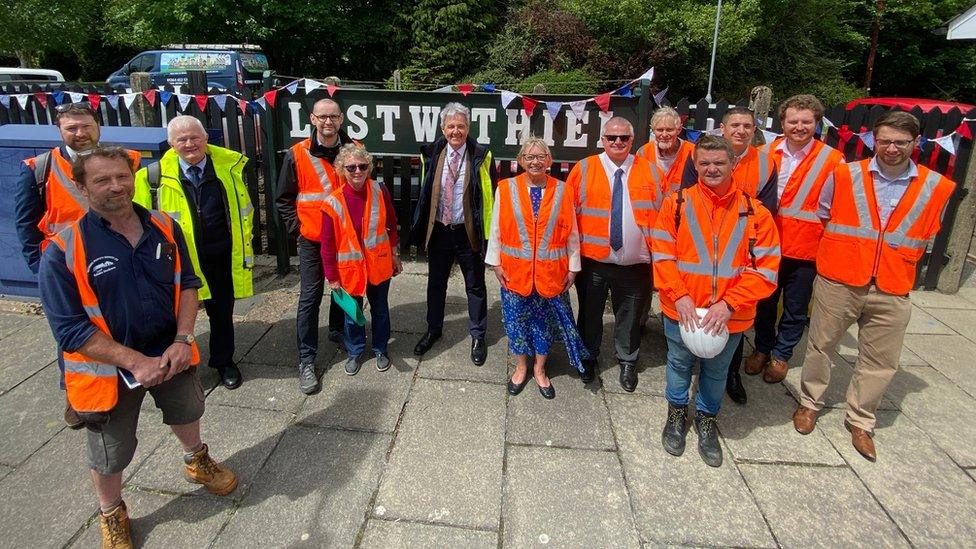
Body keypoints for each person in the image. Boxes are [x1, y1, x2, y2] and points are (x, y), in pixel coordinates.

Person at [38, 147, 237, 548]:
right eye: (102, 180)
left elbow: (188, 284)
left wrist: (183, 339)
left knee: (188, 409)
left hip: (170, 353)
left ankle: (196, 461)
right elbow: (70, 330)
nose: (116, 186)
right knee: (110, 453)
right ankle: (111, 512)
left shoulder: (164, 226)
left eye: (121, 176)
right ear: (81, 187)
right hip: (108, 372)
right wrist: (134, 363)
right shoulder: (63, 250)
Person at [793, 111, 955, 462]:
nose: (892, 148)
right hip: (841, 277)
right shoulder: (844, 174)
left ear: (916, 144)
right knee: (821, 346)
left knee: (881, 360)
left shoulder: (936, 186)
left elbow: (928, 231)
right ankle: (810, 403)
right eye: (885, 141)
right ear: (874, 141)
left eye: (900, 142)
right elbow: (825, 213)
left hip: (893, 285)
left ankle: (862, 420)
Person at [652, 135, 780, 467]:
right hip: (681, 309)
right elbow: (662, 254)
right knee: (679, 364)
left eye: (719, 163)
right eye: (704, 163)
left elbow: (765, 269)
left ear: (733, 164)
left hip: (730, 314)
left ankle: (707, 419)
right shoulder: (676, 204)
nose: (711, 169)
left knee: (716, 370)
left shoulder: (755, 213)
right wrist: (678, 295)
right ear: (696, 165)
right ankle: (677, 413)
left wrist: (729, 304)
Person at [13, 101, 141, 429]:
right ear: (60, 131)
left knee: (111, 326)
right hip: (65, 272)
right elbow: (26, 228)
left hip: (112, 263)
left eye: (86, 126)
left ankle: (117, 384)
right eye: (72, 128)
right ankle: (76, 397)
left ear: (98, 126)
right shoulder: (38, 169)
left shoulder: (123, 160)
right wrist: (42, 272)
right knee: (70, 336)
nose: (80, 133)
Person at [134, 116, 255, 390]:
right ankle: (172, 366)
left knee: (222, 313)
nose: (190, 144)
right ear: (171, 144)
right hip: (174, 262)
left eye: (194, 137)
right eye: (182, 139)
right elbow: (139, 223)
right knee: (171, 317)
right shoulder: (150, 177)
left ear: (205, 138)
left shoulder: (228, 169)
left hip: (221, 256)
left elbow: (245, 211)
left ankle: (224, 362)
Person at [679, 106, 779, 404]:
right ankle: (681, 404)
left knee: (725, 355)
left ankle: (729, 379)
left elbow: (767, 213)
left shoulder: (765, 164)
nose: (741, 130)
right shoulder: (697, 161)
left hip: (738, 258)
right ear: (722, 128)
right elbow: (687, 207)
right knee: (683, 360)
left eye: (747, 125)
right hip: (697, 258)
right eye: (734, 124)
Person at [744, 95, 844, 384]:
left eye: (806, 121)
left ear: (816, 123)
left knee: (796, 307)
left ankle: (781, 355)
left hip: (807, 247)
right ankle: (762, 348)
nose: (799, 127)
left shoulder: (833, 160)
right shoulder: (765, 152)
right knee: (764, 300)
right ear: (782, 123)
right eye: (793, 121)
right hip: (767, 243)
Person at [485, 137, 588, 400]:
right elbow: (496, 229)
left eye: (540, 156)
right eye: (529, 157)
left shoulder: (563, 190)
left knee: (544, 325)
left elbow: (572, 233)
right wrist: (495, 262)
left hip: (551, 273)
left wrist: (573, 268)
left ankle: (541, 369)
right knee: (516, 322)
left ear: (549, 161)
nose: (535, 161)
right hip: (514, 272)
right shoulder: (505, 188)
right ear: (520, 161)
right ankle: (521, 367)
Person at [567, 116, 664, 392]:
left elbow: (665, 218)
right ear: (602, 140)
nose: (618, 142)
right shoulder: (584, 169)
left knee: (631, 316)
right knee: (588, 313)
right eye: (612, 138)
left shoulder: (652, 172)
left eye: (624, 138)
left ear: (633, 141)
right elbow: (569, 217)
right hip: (593, 262)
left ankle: (628, 360)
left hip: (636, 264)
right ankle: (587, 356)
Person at [276, 98, 357, 394]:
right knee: (310, 297)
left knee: (344, 289)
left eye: (333, 116)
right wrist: (298, 230)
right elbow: (283, 199)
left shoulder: (355, 148)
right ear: (312, 118)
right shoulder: (297, 153)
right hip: (312, 240)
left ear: (341, 118)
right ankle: (306, 359)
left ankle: (338, 331)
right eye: (322, 116)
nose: (328, 122)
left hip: (345, 237)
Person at [409, 102, 497, 365]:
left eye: (461, 126)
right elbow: (426, 194)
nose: (455, 131)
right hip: (439, 231)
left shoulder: (482, 155)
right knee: (435, 284)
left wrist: (488, 238)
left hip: (467, 232)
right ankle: (433, 329)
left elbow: (490, 198)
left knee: (475, 286)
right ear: (442, 128)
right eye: (451, 126)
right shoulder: (432, 153)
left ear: (468, 127)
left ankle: (478, 335)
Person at [321, 145, 402, 376]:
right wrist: (332, 278)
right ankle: (355, 351)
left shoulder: (379, 190)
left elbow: (392, 226)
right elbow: (327, 246)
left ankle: (380, 348)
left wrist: (395, 254)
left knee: (380, 310)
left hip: (378, 264)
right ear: (341, 169)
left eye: (362, 166)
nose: (357, 171)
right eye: (351, 167)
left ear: (369, 168)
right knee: (352, 314)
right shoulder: (332, 202)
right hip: (350, 269)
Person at [636, 106, 695, 195]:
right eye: (659, 130)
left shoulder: (693, 151)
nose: (664, 134)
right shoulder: (644, 152)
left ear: (679, 129)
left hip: (681, 206)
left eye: (669, 130)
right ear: (653, 130)